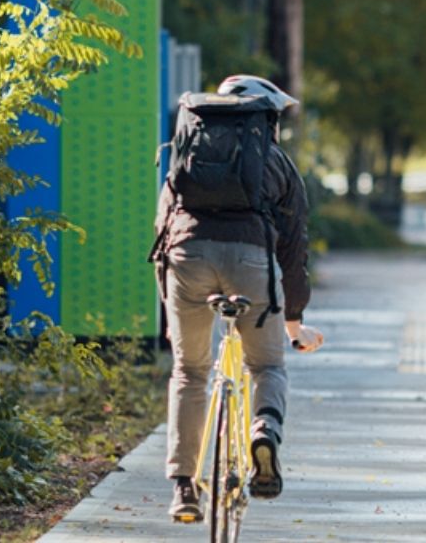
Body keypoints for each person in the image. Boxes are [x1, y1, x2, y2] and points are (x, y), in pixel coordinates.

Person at [153, 74, 324, 523]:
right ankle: (263, 431)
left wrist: (169, 310)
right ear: (265, 119)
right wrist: (294, 322)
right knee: (266, 366)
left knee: (190, 373)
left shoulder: (186, 150)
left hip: (186, 263)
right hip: (251, 265)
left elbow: (163, 228)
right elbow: (292, 248)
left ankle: (184, 487)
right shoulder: (277, 163)